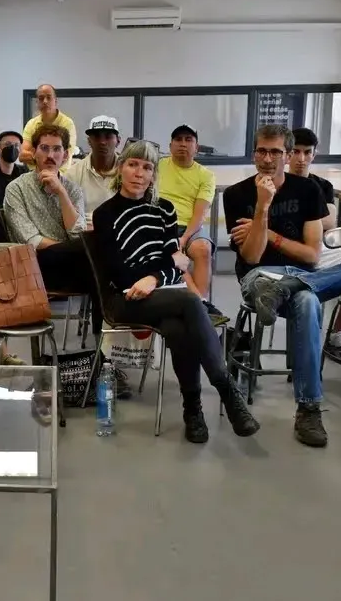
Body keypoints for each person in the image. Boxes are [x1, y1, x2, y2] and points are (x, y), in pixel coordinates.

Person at [224, 125, 341, 448]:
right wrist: (262, 206)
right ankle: (310, 407)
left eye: (275, 152)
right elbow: (252, 256)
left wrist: (269, 233)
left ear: (287, 155)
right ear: (254, 153)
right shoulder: (236, 195)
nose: (268, 159)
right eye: (261, 151)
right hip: (259, 279)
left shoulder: (308, 191)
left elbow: (312, 256)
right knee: (308, 299)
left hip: (297, 277)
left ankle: (308, 409)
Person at [92, 140, 260, 443]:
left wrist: (155, 277)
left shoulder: (164, 210)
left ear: (154, 175)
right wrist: (162, 269)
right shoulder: (105, 214)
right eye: (132, 164)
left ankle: (193, 410)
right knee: (189, 301)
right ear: (121, 168)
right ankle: (227, 391)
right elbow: (119, 274)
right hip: (123, 299)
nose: (139, 173)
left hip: (163, 293)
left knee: (178, 326)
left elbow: (178, 263)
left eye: (147, 167)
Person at [2, 123, 107, 359]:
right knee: (97, 252)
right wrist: (76, 249)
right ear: (35, 153)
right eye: (45, 149)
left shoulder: (73, 190)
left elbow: (75, 232)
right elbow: (30, 240)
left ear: (66, 155)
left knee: (98, 269)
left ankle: (101, 354)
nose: (51, 156)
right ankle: (102, 356)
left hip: (76, 267)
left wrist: (61, 192)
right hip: (35, 267)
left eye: (57, 149)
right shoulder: (16, 189)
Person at [289, 127, 341, 350]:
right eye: (296, 152)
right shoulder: (280, 182)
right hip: (288, 251)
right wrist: (312, 220)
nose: (301, 159)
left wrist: (297, 220)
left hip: (319, 248)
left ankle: (337, 331)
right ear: (287, 153)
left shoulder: (322, 185)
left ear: (314, 154)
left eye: (307, 152)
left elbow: (330, 222)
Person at [157, 125, 216, 303]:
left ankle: (200, 301)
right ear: (170, 145)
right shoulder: (157, 166)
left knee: (203, 249)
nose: (183, 144)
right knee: (173, 253)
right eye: (178, 140)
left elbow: (200, 214)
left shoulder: (206, 176)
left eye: (188, 140)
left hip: (191, 227)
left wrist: (184, 238)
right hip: (161, 225)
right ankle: (202, 307)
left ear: (196, 148)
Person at [66, 115, 120, 213]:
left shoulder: (129, 173)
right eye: (97, 136)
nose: (102, 142)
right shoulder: (72, 175)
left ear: (118, 141)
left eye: (108, 136)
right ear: (89, 141)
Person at [20, 83, 79, 169]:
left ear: (55, 101)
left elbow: (65, 156)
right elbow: (22, 155)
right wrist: (51, 158)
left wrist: (39, 155)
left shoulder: (67, 123)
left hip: (61, 177)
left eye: (49, 97)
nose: (45, 101)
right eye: (41, 98)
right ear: (37, 102)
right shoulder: (31, 124)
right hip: (35, 177)